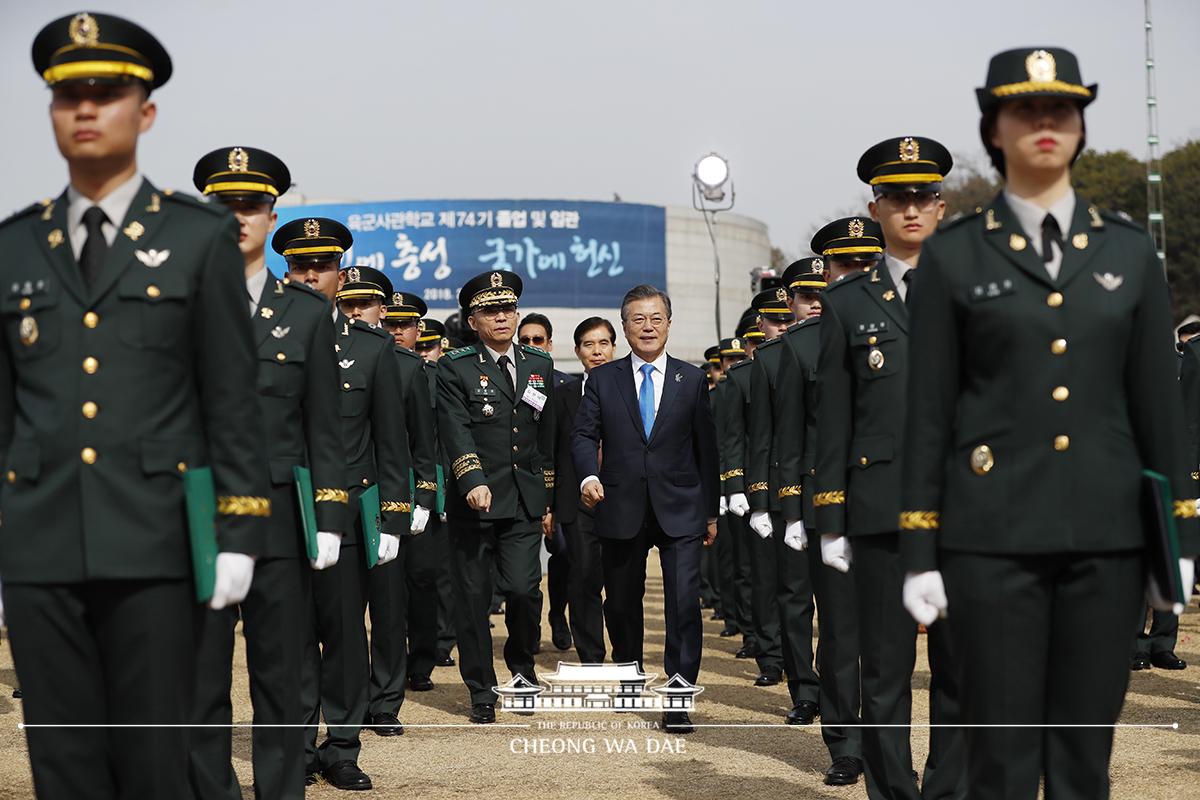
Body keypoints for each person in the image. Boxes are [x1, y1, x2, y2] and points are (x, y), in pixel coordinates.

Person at [899, 48, 1198, 798]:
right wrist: (919, 549)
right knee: (1000, 764)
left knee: (1081, 764)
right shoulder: (955, 256)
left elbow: (1158, 410)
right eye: (1023, 110)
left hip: (1109, 545)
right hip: (989, 545)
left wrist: (1179, 541)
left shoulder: (1130, 254)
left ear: (1079, 127)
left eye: (1060, 110)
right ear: (993, 130)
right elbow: (930, 412)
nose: (1044, 123)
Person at [1, 13, 269, 797]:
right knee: (64, 768)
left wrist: (240, 528)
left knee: (153, 767)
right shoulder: (14, 247)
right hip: (42, 547)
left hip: (155, 546)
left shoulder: (196, 239)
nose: (85, 109)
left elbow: (231, 397)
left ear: (143, 112)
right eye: (66, 95)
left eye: (107, 92)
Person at [188, 147, 346, 800]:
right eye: (223, 204)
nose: (237, 216)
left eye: (250, 204)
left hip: (280, 517)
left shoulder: (306, 315)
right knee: (197, 681)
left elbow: (324, 429)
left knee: (282, 679)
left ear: (270, 214)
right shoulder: (173, 304)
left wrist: (331, 518)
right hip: (194, 514)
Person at [815, 197, 966, 798]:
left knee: (959, 669)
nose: (910, 211)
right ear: (876, 208)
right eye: (896, 200)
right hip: (879, 510)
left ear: (940, 205)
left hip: (963, 510)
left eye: (922, 199)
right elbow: (834, 418)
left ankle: (949, 790)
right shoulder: (846, 304)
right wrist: (830, 517)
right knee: (884, 671)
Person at [277, 225, 409, 790]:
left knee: (345, 636)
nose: (310, 275)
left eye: (322, 265)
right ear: (287, 271)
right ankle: (298, 744)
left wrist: (394, 518)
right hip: (284, 512)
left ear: (340, 274)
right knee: (292, 634)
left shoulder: (371, 348)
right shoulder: (268, 339)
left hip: (348, 514)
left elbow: (391, 442)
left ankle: (344, 746)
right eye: (300, 266)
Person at [571, 284, 720, 734]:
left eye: (656, 318)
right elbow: (582, 436)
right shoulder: (602, 379)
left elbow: (706, 449)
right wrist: (588, 476)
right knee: (620, 604)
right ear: (625, 326)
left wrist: (710, 512)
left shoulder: (692, 379)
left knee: (683, 605)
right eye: (638, 319)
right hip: (620, 505)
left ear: (669, 324)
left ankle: (677, 699)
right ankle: (629, 674)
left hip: (682, 508)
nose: (648, 327)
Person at [437, 270, 556, 724]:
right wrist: (471, 479)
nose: (502, 317)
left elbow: (544, 435)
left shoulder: (538, 364)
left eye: (508, 308)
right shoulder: (456, 365)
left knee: (525, 591)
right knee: (472, 598)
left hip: (524, 500)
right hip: (475, 501)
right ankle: (481, 689)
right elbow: (454, 427)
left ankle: (522, 673)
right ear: (473, 320)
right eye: (491, 310)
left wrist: (547, 491)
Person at [775, 257, 864, 785]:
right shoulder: (800, 346)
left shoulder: (915, 322)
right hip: (828, 503)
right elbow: (788, 436)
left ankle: (889, 742)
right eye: (844, 268)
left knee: (894, 639)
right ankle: (846, 743)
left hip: (901, 503)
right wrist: (791, 509)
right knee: (839, 633)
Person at [356, 284, 436, 732]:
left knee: (388, 608)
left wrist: (422, 496)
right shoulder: (323, 355)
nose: (355, 313)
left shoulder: (408, 367)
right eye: (346, 304)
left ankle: (385, 699)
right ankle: (349, 697)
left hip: (390, 498)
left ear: (381, 310)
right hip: (341, 495)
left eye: (363, 305)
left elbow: (422, 443)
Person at [747, 284, 826, 717]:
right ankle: (805, 689)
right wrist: (760, 499)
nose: (816, 301)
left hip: (844, 493)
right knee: (795, 597)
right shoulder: (773, 358)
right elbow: (762, 436)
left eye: (822, 291)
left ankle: (836, 686)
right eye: (806, 295)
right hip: (790, 493)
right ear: (791, 304)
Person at [552, 316, 617, 663]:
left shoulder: (633, 390)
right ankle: (591, 654)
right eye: (589, 344)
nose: (596, 351)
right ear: (577, 351)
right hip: (576, 502)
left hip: (622, 499)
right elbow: (551, 451)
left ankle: (625, 651)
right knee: (583, 576)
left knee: (621, 581)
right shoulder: (563, 397)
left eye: (603, 343)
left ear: (614, 347)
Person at [723, 313, 780, 675]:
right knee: (757, 575)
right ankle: (770, 653)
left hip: (805, 484)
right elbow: (731, 437)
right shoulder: (740, 378)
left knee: (798, 587)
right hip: (756, 490)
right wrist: (730, 485)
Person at [519, 311, 576, 652]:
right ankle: (528, 626)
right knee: (522, 570)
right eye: (524, 341)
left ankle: (558, 614)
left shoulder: (568, 386)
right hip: (522, 486)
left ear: (550, 344)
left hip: (562, 488)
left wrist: (552, 501)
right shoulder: (510, 382)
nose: (530, 346)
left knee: (563, 554)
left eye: (537, 340)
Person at [415, 318, 459, 667]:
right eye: (420, 347)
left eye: (428, 346)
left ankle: (441, 641)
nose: (423, 353)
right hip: (408, 482)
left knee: (442, 574)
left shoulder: (443, 378)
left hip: (443, 481)